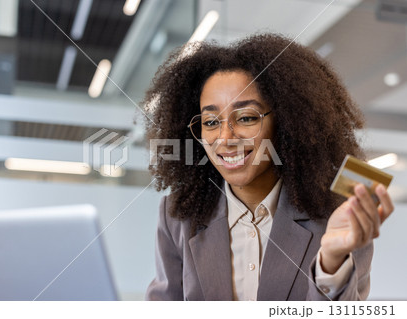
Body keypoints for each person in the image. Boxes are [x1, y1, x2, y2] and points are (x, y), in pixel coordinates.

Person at [142, 33, 394, 301]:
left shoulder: (341, 212)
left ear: (286, 122)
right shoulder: (177, 215)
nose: (225, 139)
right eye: (211, 122)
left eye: (247, 117)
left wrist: (331, 260)